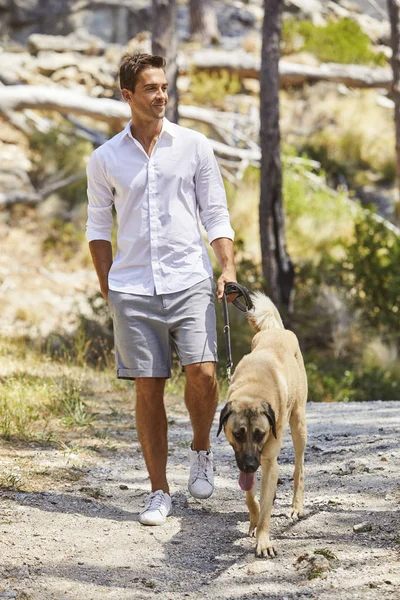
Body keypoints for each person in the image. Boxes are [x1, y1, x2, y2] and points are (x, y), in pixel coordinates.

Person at [86, 52, 236, 526]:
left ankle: (202, 451)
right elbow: (96, 226)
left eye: (165, 87)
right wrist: (108, 285)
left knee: (204, 374)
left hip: (189, 276)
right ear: (127, 96)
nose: (161, 96)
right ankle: (158, 491)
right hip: (132, 288)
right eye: (150, 89)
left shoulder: (194, 146)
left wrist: (226, 267)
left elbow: (216, 213)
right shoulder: (105, 158)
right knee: (148, 388)